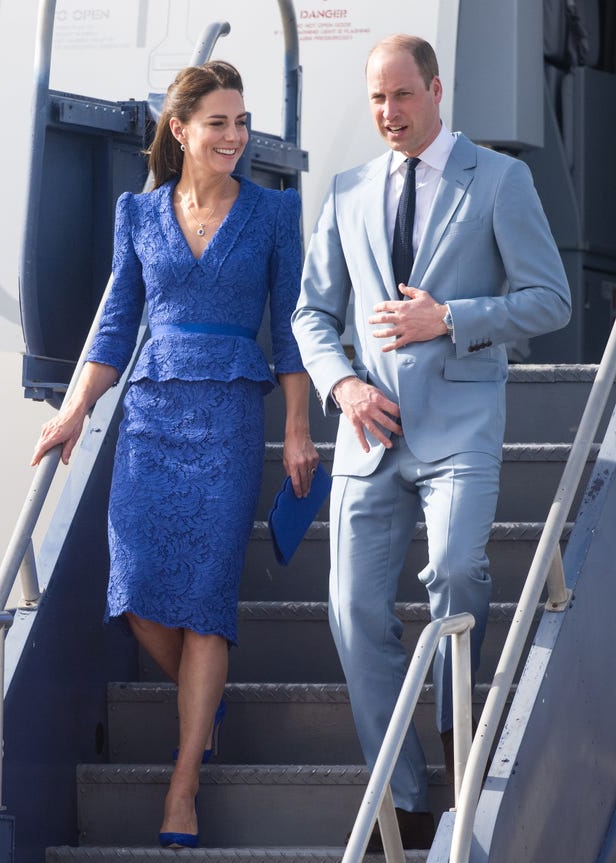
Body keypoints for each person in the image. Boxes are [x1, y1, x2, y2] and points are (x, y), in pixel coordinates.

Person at [292, 34, 571, 851]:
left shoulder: (501, 180)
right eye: (377, 99)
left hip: (460, 423)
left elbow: (550, 298)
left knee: (454, 570)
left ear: (437, 91)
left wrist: (450, 318)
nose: (388, 114)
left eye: (402, 97)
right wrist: (342, 386)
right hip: (368, 431)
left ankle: (459, 734)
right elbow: (311, 314)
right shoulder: (346, 192)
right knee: (352, 609)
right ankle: (405, 791)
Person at [31, 60, 318, 849]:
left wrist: (297, 425)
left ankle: (182, 784)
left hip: (227, 416)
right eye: (218, 122)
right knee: (136, 596)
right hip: (150, 415)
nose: (234, 136)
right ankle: (205, 700)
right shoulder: (138, 213)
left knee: (207, 607)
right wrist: (73, 412)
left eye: (241, 121)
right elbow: (115, 328)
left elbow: (290, 331)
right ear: (180, 129)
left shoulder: (271, 214)